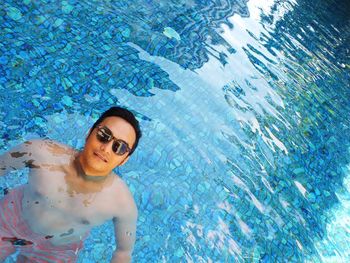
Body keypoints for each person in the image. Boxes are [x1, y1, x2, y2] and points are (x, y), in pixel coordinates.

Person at [0, 106, 142, 263]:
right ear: (89, 133)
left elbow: (123, 252)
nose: (106, 148)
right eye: (104, 135)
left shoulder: (122, 204)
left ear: (124, 159)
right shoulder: (41, 153)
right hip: (9, 219)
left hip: (55, 251)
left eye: (120, 147)